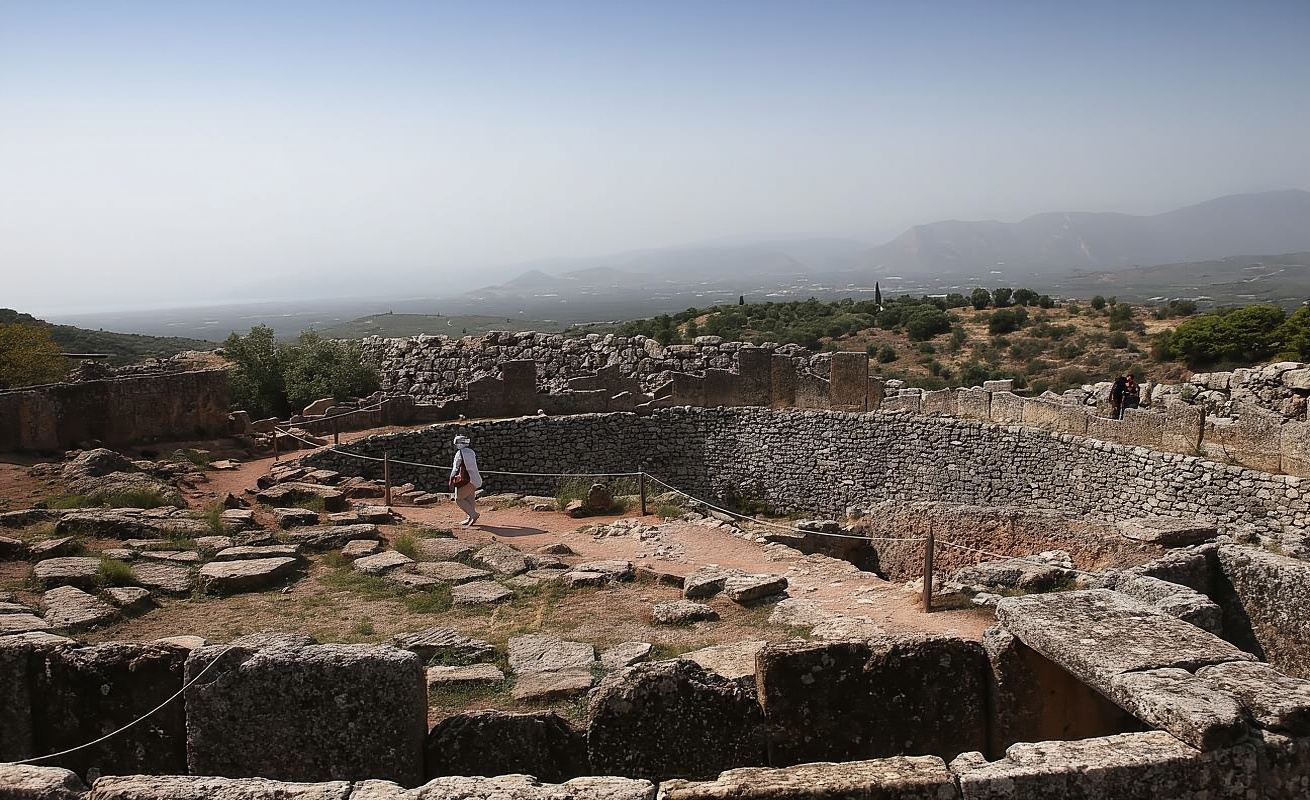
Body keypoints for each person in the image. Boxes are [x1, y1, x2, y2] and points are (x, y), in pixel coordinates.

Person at [449, 435, 483, 527]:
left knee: (459, 499)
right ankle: (470, 517)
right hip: (476, 479)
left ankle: (473, 515)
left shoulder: (459, 453)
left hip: (466, 479)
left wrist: (451, 479)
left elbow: (455, 468)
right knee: (469, 498)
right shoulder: (471, 452)